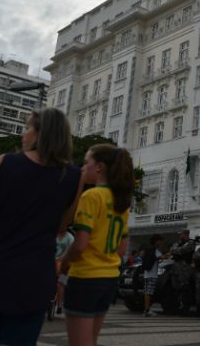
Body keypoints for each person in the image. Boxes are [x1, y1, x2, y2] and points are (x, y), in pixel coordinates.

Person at [0, 108, 83, 346]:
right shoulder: (73, 175)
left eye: (28, 128)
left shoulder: (6, 162)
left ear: (41, 133)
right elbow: (62, 225)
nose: (24, 134)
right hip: (35, 275)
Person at [60, 144, 134, 346]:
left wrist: (63, 261)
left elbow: (81, 244)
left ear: (99, 167)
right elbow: (122, 249)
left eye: (86, 163)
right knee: (91, 340)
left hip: (85, 277)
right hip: (109, 278)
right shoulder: (121, 201)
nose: (82, 168)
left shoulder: (91, 196)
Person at [169, 229, 196, 315]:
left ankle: (185, 307)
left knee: (184, 287)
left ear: (186, 234)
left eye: (181, 234)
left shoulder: (191, 243)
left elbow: (181, 251)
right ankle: (176, 306)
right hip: (176, 266)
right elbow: (171, 250)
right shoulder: (178, 243)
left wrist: (176, 250)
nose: (180, 236)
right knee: (176, 288)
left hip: (184, 267)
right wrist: (176, 250)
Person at [141, 235, 165, 317]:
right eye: (160, 241)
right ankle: (147, 310)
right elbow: (162, 257)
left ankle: (146, 309)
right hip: (152, 275)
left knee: (146, 292)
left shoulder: (147, 249)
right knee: (149, 293)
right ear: (156, 241)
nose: (161, 242)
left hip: (146, 274)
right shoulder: (155, 250)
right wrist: (170, 253)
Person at [55, 228, 75, 314]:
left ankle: (59, 305)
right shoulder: (52, 234)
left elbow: (70, 252)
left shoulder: (70, 238)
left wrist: (60, 260)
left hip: (64, 262)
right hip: (51, 261)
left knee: (60, 283)